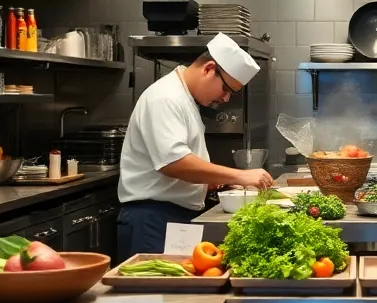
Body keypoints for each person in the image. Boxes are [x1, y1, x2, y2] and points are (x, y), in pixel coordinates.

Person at [117, 33, 274, 256]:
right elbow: (173, 163)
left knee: (179, 289)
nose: (226, 99)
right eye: (227, 89)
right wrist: (240, 176)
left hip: (174, 216)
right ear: (209, 69)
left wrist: (213, 182)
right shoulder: (166, 98)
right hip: (152, 219)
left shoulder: (185, 98)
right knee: (151, 290)